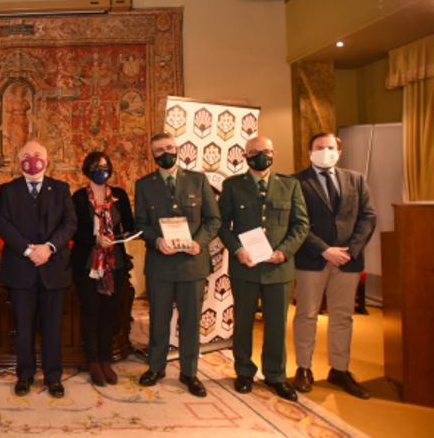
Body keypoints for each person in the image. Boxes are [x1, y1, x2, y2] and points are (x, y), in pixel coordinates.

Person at [218, 136, 309, 401]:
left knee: (277, 325)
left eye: (266, 151)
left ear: (274, 153)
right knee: (243, 323)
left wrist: (284, 252)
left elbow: (301, 224)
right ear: (245, 156)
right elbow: (222, 224)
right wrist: (237, 250)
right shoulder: (233, 186)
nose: (261, 156)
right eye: (255, 152)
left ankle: (276, 375)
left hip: (279, 269)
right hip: (245, 267)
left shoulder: (290, 185)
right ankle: (244, 372)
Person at [133, 133, 221, 397]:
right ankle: (156, 367)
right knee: (159, 319)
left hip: (192, 264)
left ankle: (189, 372)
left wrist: (200, 242)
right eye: (158, 150)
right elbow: (140, 224)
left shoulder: (198, 180)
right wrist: (157, 240)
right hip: (160, 265)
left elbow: (213, 220)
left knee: (190, 321)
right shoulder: (144, 185)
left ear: (178, 149)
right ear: (152, 155)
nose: (165, 153)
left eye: (169, 148)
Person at [292, 133, 376, 399]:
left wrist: (349, 250)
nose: (325, 151)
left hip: (348, 261)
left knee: (342, 317)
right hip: (312, 259)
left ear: (339, 152)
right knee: (306, 314)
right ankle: (304, 368)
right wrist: (324, 250)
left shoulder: (356, 179)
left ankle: (339, 369)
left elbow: (368, 216)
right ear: (310, 152)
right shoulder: (296, 182)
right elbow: (297, 222)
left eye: (330, 148)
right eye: (319, 147)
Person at [0, 141, 77, 398]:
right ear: (18, 160)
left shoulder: (61, 188)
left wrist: (49, 248)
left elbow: (70, 223)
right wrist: (30, 250)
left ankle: (54, 377)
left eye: (38, 155)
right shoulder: (8, 190)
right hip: (22, 269)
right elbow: (4, 225)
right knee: (24, 327)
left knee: (53, 327)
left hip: (53, 269)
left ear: (47, 158)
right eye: (27, 155)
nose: (33, 159)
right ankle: (25, 375)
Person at [70, 151, 135, 386]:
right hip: (87, 262)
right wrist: (95, 239)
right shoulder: (78, 197)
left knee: (110, 311)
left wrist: (118, 237)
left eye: (105, 166)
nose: (102, 170)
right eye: (97, 166)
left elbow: (130, 225)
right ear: (88, 169)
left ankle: (106, 359)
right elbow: (73, 230)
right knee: (91, 311)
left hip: (114, 262)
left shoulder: (119, 195)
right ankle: (93, 361)